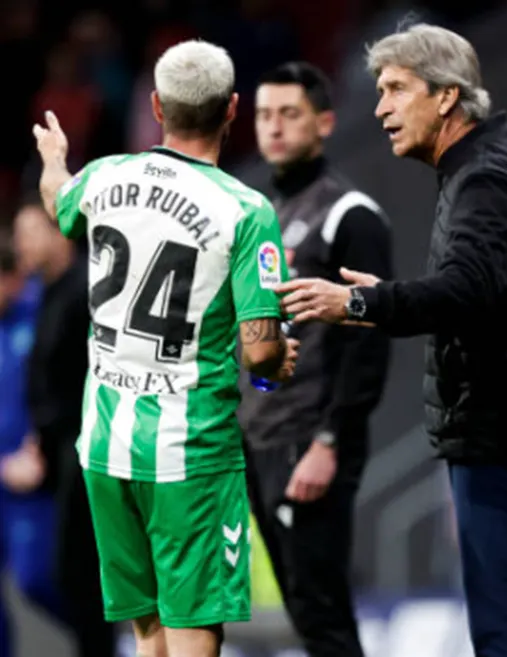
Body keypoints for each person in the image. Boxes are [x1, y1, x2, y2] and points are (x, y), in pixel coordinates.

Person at [275, 22, 507, 657]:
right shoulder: (489, 165)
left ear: (447, 96)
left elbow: (468, 290)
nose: (380, 109)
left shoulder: (488, 176)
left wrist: (360, 301)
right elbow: (480, 291)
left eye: (396, 89)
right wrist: (387, 299)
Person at [31, 39, 298, 657]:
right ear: (233, 109)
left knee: (147, 632)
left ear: (155, 106)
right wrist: (276, 359)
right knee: (194, 630)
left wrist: (53, 159)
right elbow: (260, 352)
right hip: (189, 454)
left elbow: (60, 201)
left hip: (104, 444)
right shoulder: (245, 210)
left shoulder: (104, 177)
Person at [241, 61, 392, 656]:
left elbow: (369, 340)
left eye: (289, 114)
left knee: (321, 611)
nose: (273, 128)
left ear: (325, 122)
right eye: (263, 115)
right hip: (259, 437)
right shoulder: (260, 214)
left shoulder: (349, 215)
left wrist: (331, 441)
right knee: (306, 613)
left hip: (309, 441)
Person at [15, 202, 116, 657]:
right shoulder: (42, 291)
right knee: (65, 575)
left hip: (84, 449)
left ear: (60, 234)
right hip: (55, 450)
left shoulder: (84, 290)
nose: (21, 243)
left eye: (31, 231)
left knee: (77, 572)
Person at [0, 230, 62, 657]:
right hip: (4, 472)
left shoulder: (42, 310)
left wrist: (43, 443)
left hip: (37, 478)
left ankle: (116, 637)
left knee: (37, 577)